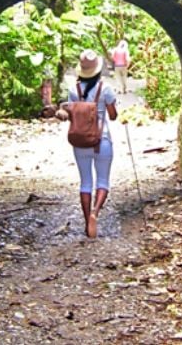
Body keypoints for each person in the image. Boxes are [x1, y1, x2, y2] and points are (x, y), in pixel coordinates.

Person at [56, 49, 118, 238]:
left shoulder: (74, 90)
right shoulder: (105, 89)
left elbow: (70, 113)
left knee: (85, 182)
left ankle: (85, 222)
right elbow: (113, 116)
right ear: (98, 70)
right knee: (102, 181)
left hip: (80, 141)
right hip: (102, 140)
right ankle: (95, 212)